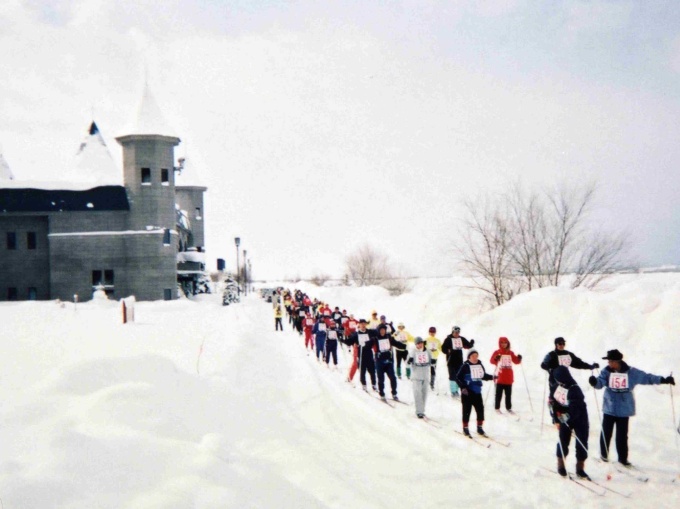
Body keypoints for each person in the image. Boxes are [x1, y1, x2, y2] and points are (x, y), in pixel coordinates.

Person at [589, 349, 675, 466]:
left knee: (622, 436)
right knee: (606, 432)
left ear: (617, 361)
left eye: (610, 361)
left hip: (624, 409)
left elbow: (647, 377)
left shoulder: (631, 373)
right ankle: (603, 456)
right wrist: (594, 382)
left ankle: (623, 459)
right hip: (609, 407)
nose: (608, 363)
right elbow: (600, 383)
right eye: (608, 361)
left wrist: (663, 380)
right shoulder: (606, 372)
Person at [551, 366, 590, 479]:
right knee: (563, 441)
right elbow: (552, 403)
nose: (559, 382)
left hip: (579, 418)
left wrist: (566, 418)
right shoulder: (556, 387)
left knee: (582, 442)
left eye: (560, 380)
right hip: (564, 417)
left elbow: (576, 409)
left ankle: (580, 468)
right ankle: (561, 465)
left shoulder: (574, 389)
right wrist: (556, 419)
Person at [456, 349, 494, 436]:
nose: (475, 358)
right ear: (469, 357)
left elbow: (483, 375)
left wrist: (492, 377)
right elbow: (458, 377)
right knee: (466, 410)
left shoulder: (479, 364)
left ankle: (479, 427)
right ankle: (465, 428)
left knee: (480, 409)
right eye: (473, 356)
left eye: (476, 356)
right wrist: (463, 387)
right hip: (467, 392)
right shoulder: (465, 366)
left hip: (477, 391)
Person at [489, 337, 522, 414]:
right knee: (498, 394)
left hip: (508, 376)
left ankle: (508, 407)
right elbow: (491, 361)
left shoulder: (510, 353)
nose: (504, 344)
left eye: (505, 343)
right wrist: (496, 358)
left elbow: (516, 361)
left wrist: (519, 358)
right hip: (500, 376)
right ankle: (497, 407)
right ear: (499, 343)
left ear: (508, 343)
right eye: (502, 343)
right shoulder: (497, 352)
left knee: (508, 394)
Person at [374, 323, 406, 401]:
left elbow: (395, 343)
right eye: (381, 330)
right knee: (381, 379)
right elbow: (369, 344)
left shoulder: (389, 337)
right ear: (378, 331)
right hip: (379, 362)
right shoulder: (376, 338)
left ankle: (394, 393)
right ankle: (382, 393)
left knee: (393, 378)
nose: (382, 331)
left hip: (388, 362)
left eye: (383, 330)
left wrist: (403, 346)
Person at [344, 319, 377, 391]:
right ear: (359, 325)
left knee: (372, 370)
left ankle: (374, 384)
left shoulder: (370, 332)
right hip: (361, 354)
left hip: (369, 353)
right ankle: (364, 384)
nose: (363, 325)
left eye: (364, 323)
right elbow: (350, 341)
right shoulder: (356, 334)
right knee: (362, 371)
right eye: (361, 324)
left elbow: (378, 333)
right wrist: (343, 340)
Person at [441, 326, 474, 396]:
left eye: (458, 332)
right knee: (452, 376)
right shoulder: (448, 339)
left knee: (459, 375)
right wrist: (448, 350)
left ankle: (461, 389)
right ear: (452, 332)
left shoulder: (461, 338)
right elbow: (443, 348)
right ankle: (453, 391)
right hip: (451, 361)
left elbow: (467, 345)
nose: (457, 334)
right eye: (455, 332)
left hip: (459, 361)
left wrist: (471, 344)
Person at [407, 337, 431, 418]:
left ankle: (422, 410)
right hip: (416, 375)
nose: (420, 345)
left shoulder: (427, 351)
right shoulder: (413, 351)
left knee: (424, 393)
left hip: (425, 375)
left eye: (421, 343)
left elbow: (431, 361)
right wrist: (409, 360)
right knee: (417, 393)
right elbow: (407, 363)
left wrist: (433, 362)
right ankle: (419, 411)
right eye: (418, 343)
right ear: (416, 344)